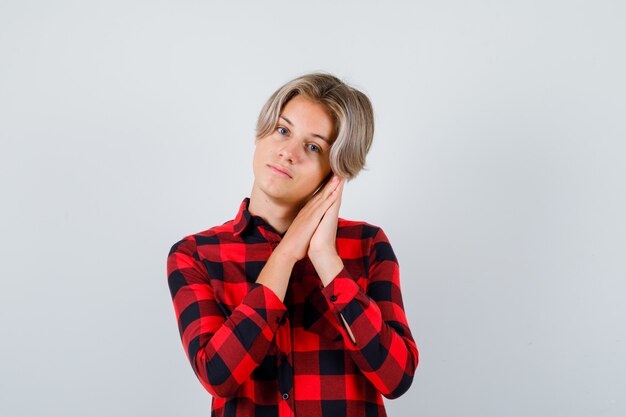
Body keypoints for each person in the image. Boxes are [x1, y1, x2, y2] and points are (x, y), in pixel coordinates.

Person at [166, 73, 419, 417]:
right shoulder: (196, 255)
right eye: (283, 130)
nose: (288, 153)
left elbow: (396, 379)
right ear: (261, 135)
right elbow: (218, 376)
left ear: (334, 172)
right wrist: (285, 256)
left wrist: (326, 258)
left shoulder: (367, 245)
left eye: (313, 147)